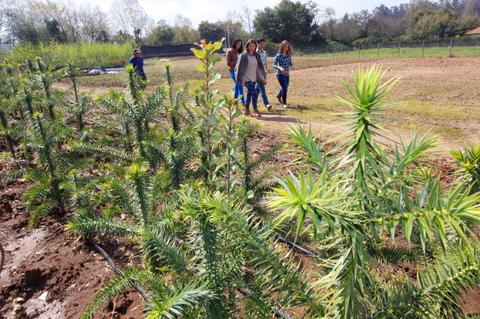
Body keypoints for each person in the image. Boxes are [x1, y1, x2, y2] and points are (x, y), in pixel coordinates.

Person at [235, 39, 266, 117]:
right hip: (246, 78)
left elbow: (260, 67)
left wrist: (262, 77)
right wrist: (241, 79)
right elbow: (239, 68)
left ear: (255, 46)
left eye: (253, 46)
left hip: (254, 78)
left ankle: (246, 110)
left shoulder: (257, 55)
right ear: (247, 46)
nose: (252, 47)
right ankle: (255, 109)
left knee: (249, 94)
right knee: (254, 93)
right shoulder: (244, 55)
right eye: (250, 46)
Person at [273, 40, 293, 108]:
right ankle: (284, 103)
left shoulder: (288, 55)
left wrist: (292, 65)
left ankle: (279, 96)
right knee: (285, 89)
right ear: (282, 47)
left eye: (287, 47)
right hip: (280, 74)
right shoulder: (279, 55)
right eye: (285, 47)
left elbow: (290, 63)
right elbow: (274, 64)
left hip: (287, 74)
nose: (286, 48)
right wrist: (279, 67)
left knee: (285, 87)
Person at [226, 39, 245, 105]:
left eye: (240, 44)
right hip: (233, 72)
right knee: (240, 86)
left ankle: (235, 101)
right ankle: (244, 103)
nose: (239, 45)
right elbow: (228, 63)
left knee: (237, 86)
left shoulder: (241, 52)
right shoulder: (230, 52)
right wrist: (237, 61)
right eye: (237, 44)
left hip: (240, 72)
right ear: (234, 44)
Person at [256, 38, 272, 111]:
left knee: (257, 89)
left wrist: (266, 71)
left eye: (263, 43)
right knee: (262, 88)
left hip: (263, 72)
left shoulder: (264, 52)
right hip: (256, 72)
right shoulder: (255, 52)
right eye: (261, 43)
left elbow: (265, 62)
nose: (262, 45)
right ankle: (267, 104)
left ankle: (253, 102)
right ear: (258, 44)